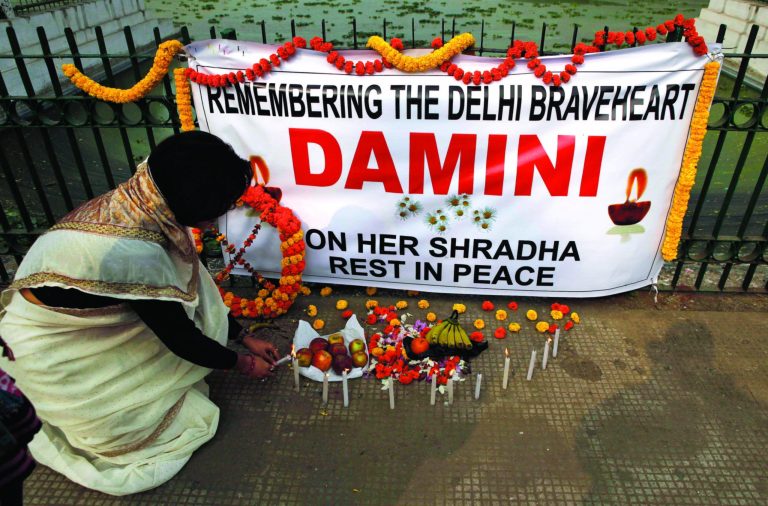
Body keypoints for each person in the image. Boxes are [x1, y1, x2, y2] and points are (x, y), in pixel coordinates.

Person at [0, 131, 281, 496]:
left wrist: (244, 336)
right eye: (221, 208)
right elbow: (181, 338)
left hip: (80, 323)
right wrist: (242, 363)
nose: (221, 218)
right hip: (52, 355)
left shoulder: (151, 191)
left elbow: (194, 291)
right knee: (172, 424)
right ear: (193, 203)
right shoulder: (135, 253)